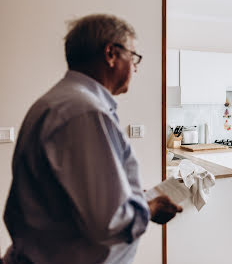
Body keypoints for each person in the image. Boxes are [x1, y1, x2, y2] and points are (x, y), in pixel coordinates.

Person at [2, 14, 182, 264]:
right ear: (111, 54)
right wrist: (150, 208)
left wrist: (130, 195)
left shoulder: (58, 102)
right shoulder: (85, 112)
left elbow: (75, 195)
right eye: (133, 56)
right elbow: (107, 221)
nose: (136, 67)